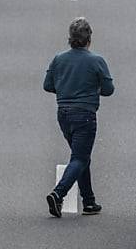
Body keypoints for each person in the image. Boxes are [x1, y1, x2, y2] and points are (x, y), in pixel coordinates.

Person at [43, 17, 115, 218]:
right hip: (85, 114)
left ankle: (89, 202)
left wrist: (66, 88)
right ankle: (58, 193)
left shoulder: (59, 59)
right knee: (80, 157)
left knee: (81, 157)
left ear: (70, 39)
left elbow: (48, 85)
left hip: (63, 114)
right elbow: (109, 89)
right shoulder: (96, 61)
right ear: (89, 38)